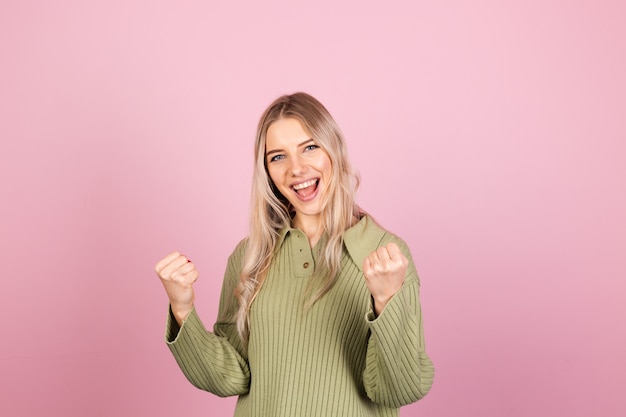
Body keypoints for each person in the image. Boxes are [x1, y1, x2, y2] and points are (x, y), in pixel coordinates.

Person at [154, 92, 434, 416]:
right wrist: (182, 309)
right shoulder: (251, 256)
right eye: (278, 157)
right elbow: (231, 375)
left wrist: (386, 303)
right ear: (267, 171)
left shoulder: (386, 255)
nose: (296, 169)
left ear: (334, 150)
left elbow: (398, 388)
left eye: (310, 148)